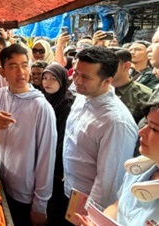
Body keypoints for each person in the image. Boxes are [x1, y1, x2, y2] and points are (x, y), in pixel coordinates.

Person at [0, 44, 57, 226]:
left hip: (24, 195)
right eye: (13, 66)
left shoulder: (40, 108)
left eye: (25, 65)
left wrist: (40, 205)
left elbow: (46, 159)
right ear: (2, 72)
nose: (21, 72)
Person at [63, 46, 138, 216]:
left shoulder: (115, 122)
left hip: (88, 207)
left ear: (107, 81)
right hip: (70, 192)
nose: (77, 81)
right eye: (76, 73)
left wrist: (89, 215)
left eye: (86, 77)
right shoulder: (83, 96)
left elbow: (109, 182)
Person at [76, 100, 159, 226]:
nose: (141, 132)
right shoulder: (137, 170)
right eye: (146, 123)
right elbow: (117, 206)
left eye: (153, 128)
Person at [41, 63, 74, 226]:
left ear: (62, 80)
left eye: (53, 78)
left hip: (57, 165)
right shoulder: (42, 98)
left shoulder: (66, 104)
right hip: (44, 157)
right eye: (45, 78)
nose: (48, 82)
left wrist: (50, 163)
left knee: (55, 204)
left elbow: (61, 139)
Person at [108, 47, 152, 123]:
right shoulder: (95, 88)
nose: (102, 69)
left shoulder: (144, 96)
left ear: (126, 66)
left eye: (109, 65)